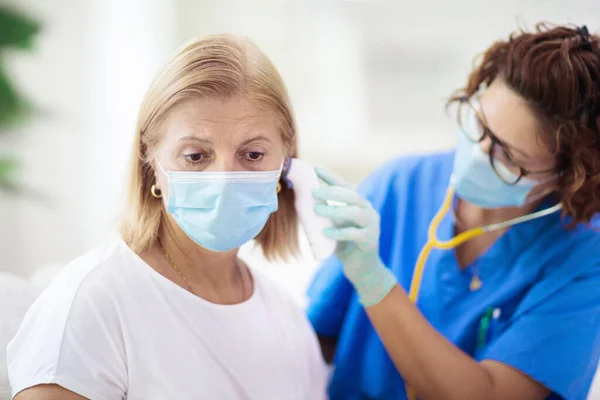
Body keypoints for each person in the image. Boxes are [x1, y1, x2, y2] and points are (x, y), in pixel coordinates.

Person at [7, 34, 327, 400]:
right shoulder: (94, 301)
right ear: (151, 162)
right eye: (195, 156)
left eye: (252, 155)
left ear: (285, 164)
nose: (222, 179)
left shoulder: (285, 319)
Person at [307, 23, 600, 400]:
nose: (479, 152)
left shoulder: (584, 257)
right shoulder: (401, 184)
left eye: (508, 156)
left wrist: (374, 281)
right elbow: (317, 338)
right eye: (478, 122)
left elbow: (489, 394)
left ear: (568, 177)